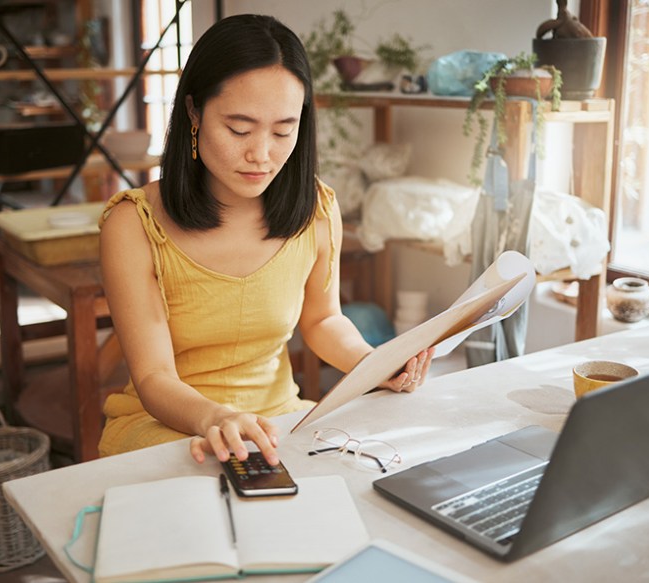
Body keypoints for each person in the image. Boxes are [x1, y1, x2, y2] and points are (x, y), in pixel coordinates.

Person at [98, 14, 434, 466]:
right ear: (194, 113)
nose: (262, 154)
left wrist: (374, 364)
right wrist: (216, 418)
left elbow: (323, 321)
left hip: (278, 421)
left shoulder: (315, 207)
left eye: (282, 131)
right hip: (170, 424)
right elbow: (154, 375)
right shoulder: (133, 223)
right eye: (239, 129)